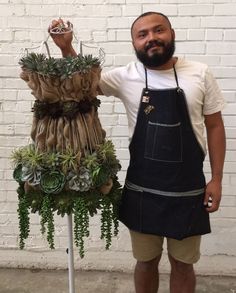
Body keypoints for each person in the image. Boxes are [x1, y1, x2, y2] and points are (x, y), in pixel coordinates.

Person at [49, 12, 226, 293]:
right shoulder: (126, 76)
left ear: (172, 34)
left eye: (159, 30)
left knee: (183, 264)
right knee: (145, 261)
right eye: (142, 34)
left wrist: (216, 179)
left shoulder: (200, 73)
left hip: (188, 190)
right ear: (134, 42)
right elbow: (84, 85)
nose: (152, 38)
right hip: (143, 190)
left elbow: (215, 126)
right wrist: (66, 48)